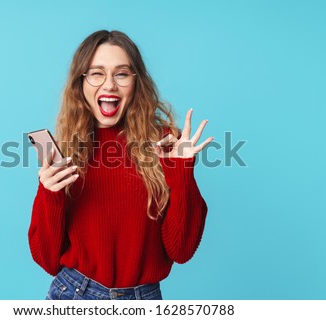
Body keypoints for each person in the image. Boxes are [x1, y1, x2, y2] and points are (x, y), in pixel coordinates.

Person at [28, 30, 213, 300]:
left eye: (122, 73)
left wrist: (182, 170)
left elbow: (182, 251)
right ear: (81, 82)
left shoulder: (165, 144)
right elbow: (47, 261)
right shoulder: (65, 151)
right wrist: (50, 194)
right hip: (74, 293)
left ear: (136, 82)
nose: (109, 85)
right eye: (96, 73)